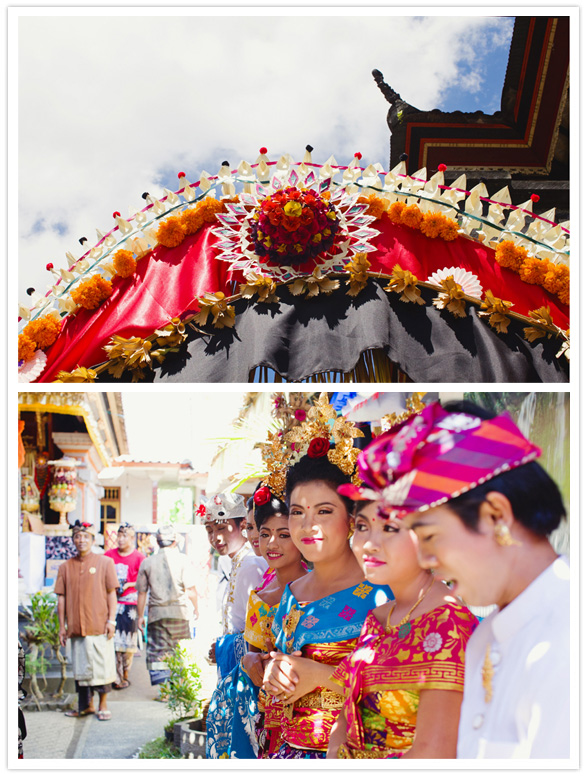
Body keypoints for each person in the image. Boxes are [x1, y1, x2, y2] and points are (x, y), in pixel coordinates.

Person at [356, 400, 570, 759]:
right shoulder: (484, 639)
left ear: (495, 515)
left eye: (429, 536)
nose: (425, 560)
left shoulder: (568, 634)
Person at [262, 393, 392, 759]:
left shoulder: (382, 591)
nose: (308, 525)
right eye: (297, 511)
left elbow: (408, 689)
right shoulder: (291, 593)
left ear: (352, 517)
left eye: (323, 511)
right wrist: (273, 671)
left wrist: (319, 675)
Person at [326, 498, 477, 758]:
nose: (369, 544)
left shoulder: (448, 623)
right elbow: (346, 718)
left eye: (390, 528)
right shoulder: (377, 618)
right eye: (362, 526)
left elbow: (434, 755)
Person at [239, 486, 308, 757]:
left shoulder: (322, 593)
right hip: (271, 719)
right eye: (265, 534)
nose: (271, 544)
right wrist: (249, 662)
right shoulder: (259, 599)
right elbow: (251, 656)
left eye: (284, 535)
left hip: (314, 721)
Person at [204, 492, 268, 758]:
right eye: (210, 530)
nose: (216, 537)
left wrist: (223, 647)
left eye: (222, 528)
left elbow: (257, 632)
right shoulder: (236, 562)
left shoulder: (251, 564)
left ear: (242, 526)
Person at [55, 520, 118, 721]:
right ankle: (85, 706)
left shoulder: (105, 563)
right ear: (73, 540)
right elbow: (61, 598)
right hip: (76, 627)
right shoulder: (65, 567)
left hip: (100, 625)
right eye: (77, 536)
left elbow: (111, 594)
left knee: (103, 668)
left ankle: (103, 705)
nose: (81, 540)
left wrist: (112, 621)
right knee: (81, 670)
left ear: (93, 539)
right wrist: (61, 627)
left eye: (85, 536)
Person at [135, 525, 199, 687]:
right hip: (179, 613)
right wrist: (196, 608)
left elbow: (142, 593)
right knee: (179, 651)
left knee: (159, 652)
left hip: (157, 615)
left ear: (157, 542)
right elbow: (190, 590)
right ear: (174, 541)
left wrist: (140, 616)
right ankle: (180, 687)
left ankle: (164, 692)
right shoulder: (183, 560)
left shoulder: (147, 562)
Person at [104, 523, 145, 689]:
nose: (120, 539)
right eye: (119, 536)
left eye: (124, 536)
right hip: (111, 603)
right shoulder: (108, 555)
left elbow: (143, 582)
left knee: (127, 643)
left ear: (132, 538)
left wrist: (130, 584)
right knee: (112, 642)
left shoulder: (139, 557)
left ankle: (125, 675)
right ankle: (114, 676)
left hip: (130, 605)